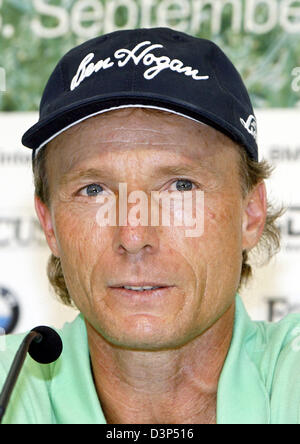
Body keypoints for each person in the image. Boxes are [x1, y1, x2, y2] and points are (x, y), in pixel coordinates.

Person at [0, 27, 298, 425]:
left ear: (250, 213)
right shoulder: (10, 388)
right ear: (49, 225)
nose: (134, 235)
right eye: (94, 190)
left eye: (180, 185)